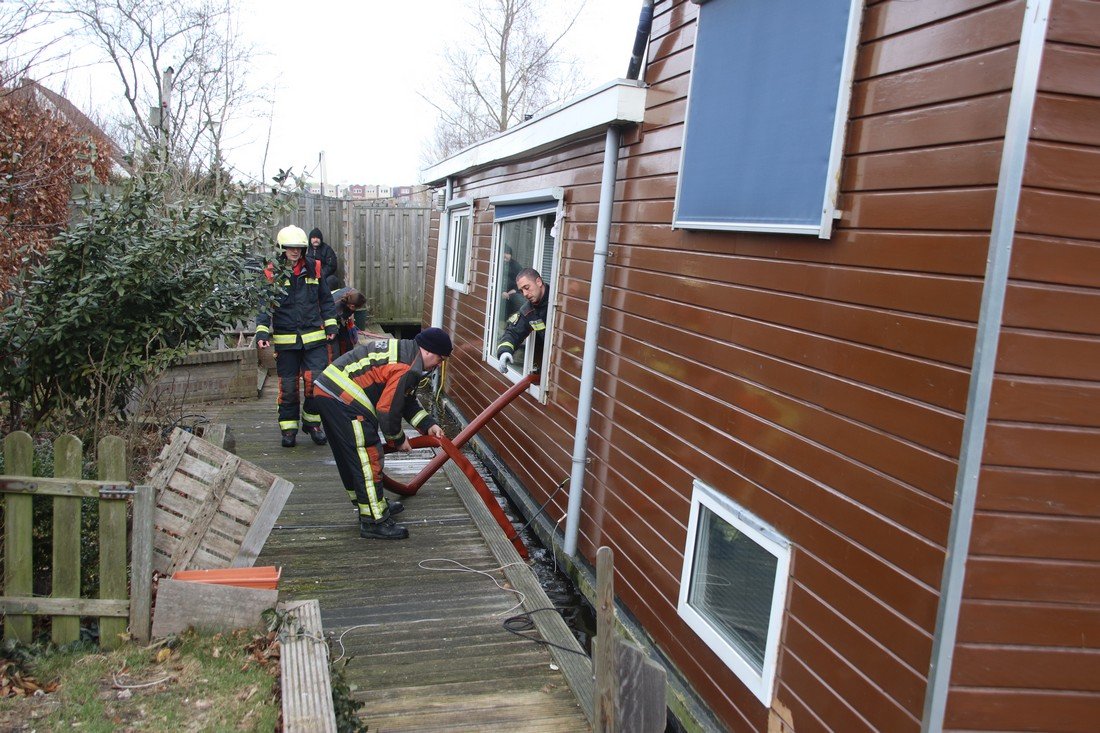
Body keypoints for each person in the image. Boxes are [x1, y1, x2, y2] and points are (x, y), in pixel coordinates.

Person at [313, 327, 452, 540]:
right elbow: (387, 410)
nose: (439, 365)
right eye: (440, 359)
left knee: (351, 456)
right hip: (344, 398)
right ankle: (374, 521)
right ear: (428, 350)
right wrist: (397, 439)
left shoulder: (408, 354)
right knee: (368, 456)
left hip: (330, 390)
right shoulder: (407, 366)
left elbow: (405, 400)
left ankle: (370, 503)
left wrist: (428, 425)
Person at [256, 225, 338, 448]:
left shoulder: (314, 268)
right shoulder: (271, 272)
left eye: (299, 248)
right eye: (291, 247)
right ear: (282, 248)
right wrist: (262, 330)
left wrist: (331, 325)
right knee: (289, 387)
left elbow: (326, 300)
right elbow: (264, 305)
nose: (295, 251)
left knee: (317, 382)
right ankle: (289, 429)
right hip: (286, 340)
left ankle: (313, 424)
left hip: (314, 338)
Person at [496, 267, 548, 374]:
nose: (524, 294)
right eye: (521, 290)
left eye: (527, 287)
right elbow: (513, 332)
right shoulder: (528, 310)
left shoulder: (558, 301)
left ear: (538, 282)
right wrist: (504, 352)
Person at [329, 287, 366, 359]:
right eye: (356, 308)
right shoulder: (336, 308)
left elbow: (350, 312)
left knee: (348, 343)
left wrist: (351, 318)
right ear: (352, 306)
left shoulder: (353, 293)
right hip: (327, 321)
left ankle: (348, 358)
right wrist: (332, 330)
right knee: (334, 350)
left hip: (340, 317)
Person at [500, 246, 524, 318]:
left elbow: (522, 281)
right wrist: (501, 292)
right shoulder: (497, 264)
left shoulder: (515, 266)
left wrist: (513, 291)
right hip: (498, 293)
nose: (505, 255)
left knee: (519, 301)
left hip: (512, 292)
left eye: (508, 253)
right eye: (504, 253)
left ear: (510, 255)